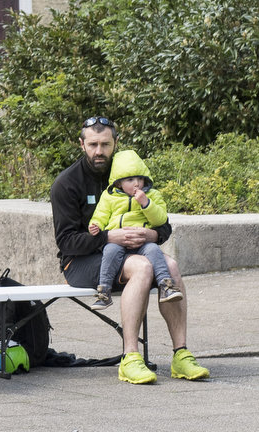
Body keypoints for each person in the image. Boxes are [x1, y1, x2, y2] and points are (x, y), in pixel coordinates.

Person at [51, 117, 208, 386]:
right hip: (80, 262)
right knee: (142, 267)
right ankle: (130, 358)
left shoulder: (130, 172)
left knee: (171, 266)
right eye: (93, 144)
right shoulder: (66, 183)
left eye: (105, 144)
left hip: (130, 252)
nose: (99, 151)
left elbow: (163, 224)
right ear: (82, 144)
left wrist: (153, 235)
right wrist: (107, 236)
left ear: (115, 143)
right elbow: (66, 242)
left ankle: (181, 354)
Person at [89, 150, 180, 308]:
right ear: (118, 183)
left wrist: (146, 204)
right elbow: (101, 214)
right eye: (130, 179)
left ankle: (166, 285)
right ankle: (104, 291)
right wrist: (96, 225)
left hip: (143, 242)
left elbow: (160, 219)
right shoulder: (109, 197)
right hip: (117, 241)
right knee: (109, 252)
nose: (137, 183)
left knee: (154, 250)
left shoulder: (152, 195)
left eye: (140, 178)